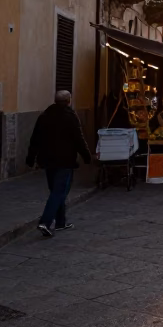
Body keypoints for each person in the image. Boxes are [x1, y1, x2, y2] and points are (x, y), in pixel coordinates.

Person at [27, 90, 92, 238]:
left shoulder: (44, 116)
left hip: (47, 160)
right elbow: (78, 139)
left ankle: (61, 222)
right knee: (59, 191)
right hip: (65, 160)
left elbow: (35, 139)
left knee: (56, 191)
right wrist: (87, 156)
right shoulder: (70, 117)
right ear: (69, 101)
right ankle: (45, 221)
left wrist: (31, 157)